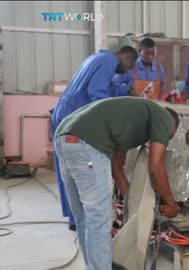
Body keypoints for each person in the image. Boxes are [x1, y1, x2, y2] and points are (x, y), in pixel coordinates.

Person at [54, 97, 182, 270]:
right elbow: (156, 166)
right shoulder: (164, 117)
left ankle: (94, 266)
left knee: (85, 217)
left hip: (64, 140)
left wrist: (131, 200)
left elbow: (116, 166)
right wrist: (170, 203)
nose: (163, 139)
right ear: (172, 127)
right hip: (88, 146)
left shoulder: (130, 119)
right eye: (167, 137)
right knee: (99, 220)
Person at [50, 46, 137, 230]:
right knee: (81, 169)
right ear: (127, 57)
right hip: (72, 119)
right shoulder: (108, 62)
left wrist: (126, 91)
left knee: (67, 170)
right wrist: (110, 124)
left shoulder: (98, 58)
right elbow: (97, 93)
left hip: (63, 114)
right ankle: (81, 218)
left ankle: (75, 219)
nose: (128, 70)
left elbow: (109, 88)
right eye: (130, 66)